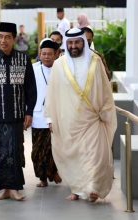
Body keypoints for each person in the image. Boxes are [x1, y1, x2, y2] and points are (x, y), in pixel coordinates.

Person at [45, 28, 117, 202]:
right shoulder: (59, 65)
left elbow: (106, 90)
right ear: (65, 44)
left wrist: (106, 111)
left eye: (77, 42)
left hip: (92, 118)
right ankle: (77, 189)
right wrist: (50, 118)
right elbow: (52, 94)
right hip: (68, 120)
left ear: (83, 42)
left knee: (95, 155)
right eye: (70, 43)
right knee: (74, 156)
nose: (73, 46)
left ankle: (93, 187)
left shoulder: (95, 61)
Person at [0, 22, 37, 201]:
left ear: (14, 39)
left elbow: (31, 88)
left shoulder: (23, 59)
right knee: (0, 151)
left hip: (17, 115)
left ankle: (16, 188)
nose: (3, 40)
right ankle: (4, 188)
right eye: (1, 37)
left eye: (7, 37)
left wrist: (29, 111)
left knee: (16, 151)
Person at [31, 39, 62, 188]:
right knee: (37, 150)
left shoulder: (61, 69)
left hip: (56, 114)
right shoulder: (32, 69)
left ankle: (52, 171)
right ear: (39, 54)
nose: (46, 57)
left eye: (50, 54)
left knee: (52, 148)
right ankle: (42, 177)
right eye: (43, 54)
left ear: (56, 55)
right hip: (38, 114)